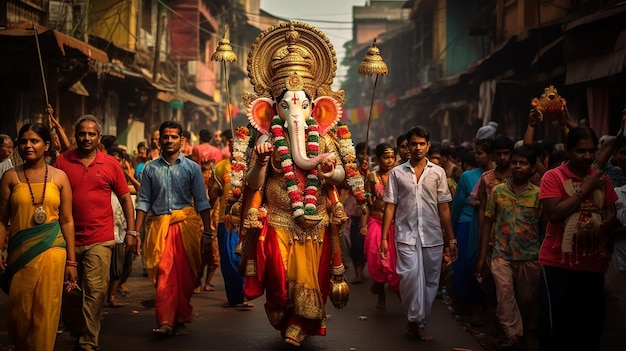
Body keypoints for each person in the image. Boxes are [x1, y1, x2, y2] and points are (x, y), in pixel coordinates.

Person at [239, 22, 362, 347]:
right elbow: (253, 184)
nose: (296, 112)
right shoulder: (265, 140)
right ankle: (284, 315)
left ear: (317, 109)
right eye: (287, 106)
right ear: (271, 109)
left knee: (313, 279)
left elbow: (341, 178)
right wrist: (263, 161)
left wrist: (329, 171)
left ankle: (299, 323)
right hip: (279, 218)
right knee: (278, 279)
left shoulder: (323, 141)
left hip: (315, 219)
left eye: (304, 105)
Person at [55, 115, 138, 351]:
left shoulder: (110, 164)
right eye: (82, 133)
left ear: (98, 137)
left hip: (100, 240)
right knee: (68, 292)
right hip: (65, 239)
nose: (87, 138)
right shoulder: (62, 162)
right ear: (75, 136)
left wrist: (132, 231)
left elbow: (124, 198)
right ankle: (77, 327)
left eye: (91, 134)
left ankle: (88, 342)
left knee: (95, 291)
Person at [538, 126, 618, 351]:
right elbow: (554, 214)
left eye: (592, 151)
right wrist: (584, 190)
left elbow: (612, 212)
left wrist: (603, 225)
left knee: (590, 325)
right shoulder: (552, 177)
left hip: (593, 263)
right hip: (557, 263)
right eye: (581, 151)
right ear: (567, 150)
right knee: (558, 326)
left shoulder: (601, 179)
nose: (588, 156)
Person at [0, 123, 78, 351]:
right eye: (23, 141)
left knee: (47, 308)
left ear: (46, 145)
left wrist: (72, 261)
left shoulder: (60, 177)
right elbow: (2, 221)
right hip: (20, 252)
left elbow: (66, 220)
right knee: (18, 312)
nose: (28, 145)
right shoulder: (10, 178)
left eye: (34, 141)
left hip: (52, 251)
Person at [379, 125, 458, 341]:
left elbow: (444, 207)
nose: (417, 148)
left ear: (428, 145)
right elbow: (390, 206)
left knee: (431, 282)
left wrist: (451, 238)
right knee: (409, 279)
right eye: (413, 144)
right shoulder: (397, 173)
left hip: (432, 236)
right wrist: (384, 238)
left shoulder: (438, 172)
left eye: (422, 144)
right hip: (405, 236)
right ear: (407, 147)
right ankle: (414, 318)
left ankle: (419, 322)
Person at [135, 120, 212, 337]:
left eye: (174, 137)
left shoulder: (192, 168)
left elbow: (202, 201)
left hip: (186, 228)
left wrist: (207, 232)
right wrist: (135, 233)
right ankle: (166, 320)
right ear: (159, 139)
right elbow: (143, 202)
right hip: (159, 227)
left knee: (186, 277)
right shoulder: (150, 168)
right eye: (165, 137)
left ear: (182, 140)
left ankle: (180, 317)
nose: (169, 140)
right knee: (165, 274)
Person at [476, 146, 542, 349]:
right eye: (515, 162)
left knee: (526, 300)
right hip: (501, 254)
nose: (517, 166)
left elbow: (545, 226)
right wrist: (482, 256)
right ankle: (513, 337)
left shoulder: (539, 195)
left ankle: (519, 334)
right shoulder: (497, 191)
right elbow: (488, 221)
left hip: (530, 256)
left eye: (523, 163)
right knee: (504, 296)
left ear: (532, 168)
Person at [450, 138, 493, 316]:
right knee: (465, 264)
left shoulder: (500, 178)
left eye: (480, 153)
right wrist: (451, 232)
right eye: (475, 152)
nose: (476, 156)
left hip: (492, 225)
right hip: (467, 223)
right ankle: (467, 302)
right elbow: (457, 205)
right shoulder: (468, 176)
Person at [208, 130, 250, 307]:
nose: (236, 146)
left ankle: (245, 295)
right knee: (228, 261)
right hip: (225, 221)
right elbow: (213, 195)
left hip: (247, 220)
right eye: (233, 143)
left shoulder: (253, 165)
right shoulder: (221, 167)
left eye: (240, 142)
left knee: (245, 260)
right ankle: (233, 297)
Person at [363, 143, 400, 311]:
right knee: (376, 258)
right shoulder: (371, 177)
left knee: (393, 261)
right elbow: (366, 202)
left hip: (395, 223)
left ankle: (400, 297)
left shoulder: (399, 175)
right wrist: (363, 224)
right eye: (386, 157)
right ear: (378, 159)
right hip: (376, 222)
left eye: (392, 157)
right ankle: (381, 293)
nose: (390, 161)